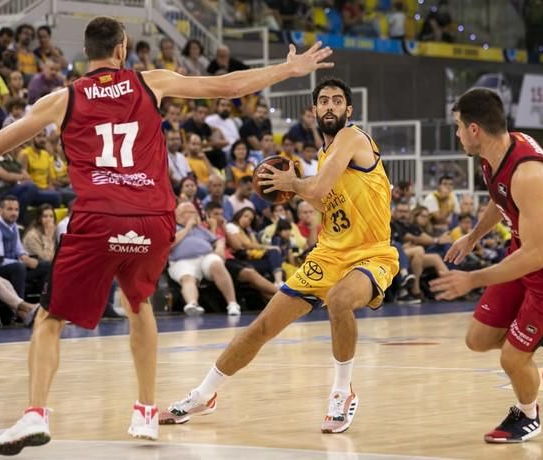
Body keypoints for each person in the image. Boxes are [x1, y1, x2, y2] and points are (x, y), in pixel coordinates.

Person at [0, 15, 333, 455]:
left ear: (86, 54)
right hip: (153, 217)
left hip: (99, 216)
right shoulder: (151, 82)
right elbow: (227, 86)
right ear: (122, 49)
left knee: (50, 318)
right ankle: (146, 413)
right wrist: (288, 69)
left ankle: (34, 414)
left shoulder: (62, 98)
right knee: (139, 303)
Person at [160, 78, 398, 434]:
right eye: (323, 101)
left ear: (348, 110)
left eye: (337, 101)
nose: (330, 106)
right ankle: (203, 394)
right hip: (329, 254)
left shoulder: (353, 138)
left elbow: (315, 188)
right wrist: (291, 187)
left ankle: (341, 391)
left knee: (339, 300)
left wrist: (295, 185)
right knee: (261, 328)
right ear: (315, 110)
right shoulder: (323, 155)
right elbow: (319, 199)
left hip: (371, 254)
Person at [430, 89, 543, 443]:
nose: (457, 134)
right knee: (478, 339)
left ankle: (529, 415)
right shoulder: (495, 153)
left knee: (512, 358)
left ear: (474, 129)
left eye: (458, 127)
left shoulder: (528, 174)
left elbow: (537, 256)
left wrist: (472, 278)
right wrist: (473, 236)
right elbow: (501, 199)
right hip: (526, 251)